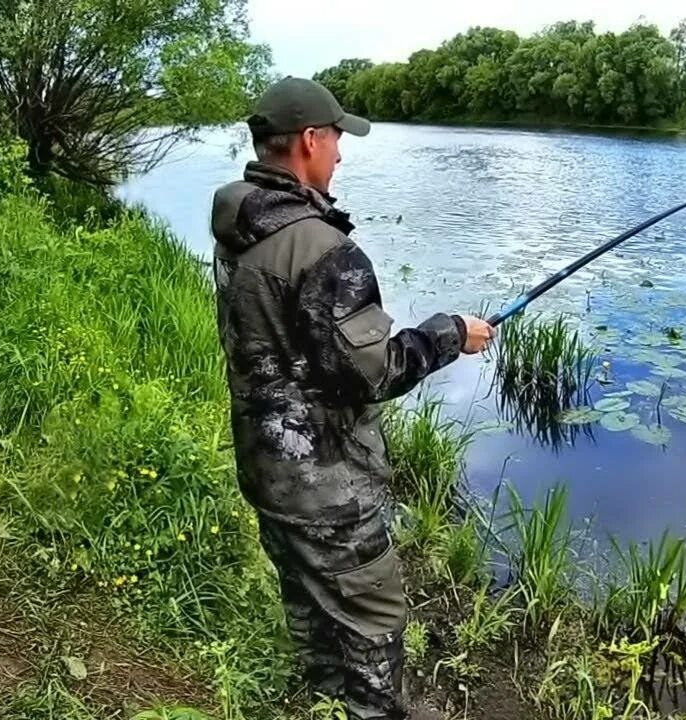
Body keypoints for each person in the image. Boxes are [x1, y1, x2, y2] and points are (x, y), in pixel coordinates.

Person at [210, 76, 495, 719]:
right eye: (337, 138)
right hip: (327, 483)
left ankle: (323, 700)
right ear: (310, 140)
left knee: (306, 595)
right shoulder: (324, 250)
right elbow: (374, 373)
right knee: (373, 616)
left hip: (265, 464)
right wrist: (450, 333)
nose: (341, 152)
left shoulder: (238, 220)